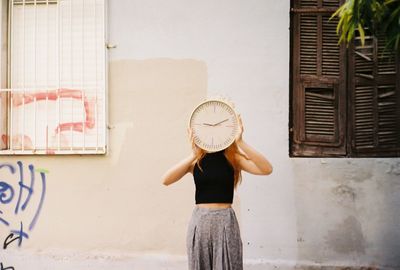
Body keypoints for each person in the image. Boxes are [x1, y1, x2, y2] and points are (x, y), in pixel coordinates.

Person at [161, 115, 273, 270]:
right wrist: (194, 153)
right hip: (200, 222)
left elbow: (266, 169)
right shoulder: (195, 161)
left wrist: (241, 142)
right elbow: (166, 180)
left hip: (225, 221)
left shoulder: (233, 157)